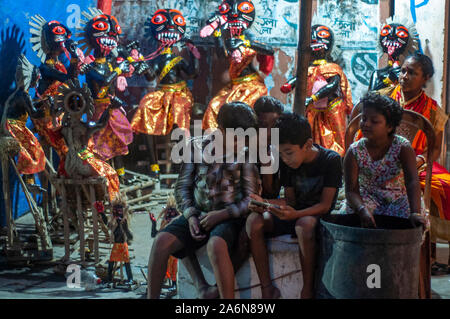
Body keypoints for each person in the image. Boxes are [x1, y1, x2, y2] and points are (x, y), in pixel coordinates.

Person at [147, 102, 260, 299]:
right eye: (235, 138)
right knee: (161, 242)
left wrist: (222, 215)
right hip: (198, 214)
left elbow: (251, 199)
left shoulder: (247, 154)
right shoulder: (196, 147)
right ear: (221, 129)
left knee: (216, 246)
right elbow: (182, 187)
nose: (240, 143)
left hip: (230, 217)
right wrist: (190, 216)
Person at [246, 112, 343, 299]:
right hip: (295, 212)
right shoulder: (287, 163)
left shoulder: (331, 160)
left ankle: (307, 290)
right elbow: (291, 202)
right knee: (254, 221)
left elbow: (325, 205)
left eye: (288, 152)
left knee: (303, 224)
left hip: (317, 216)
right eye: (281, 153)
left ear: (307, 145)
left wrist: (294, 214)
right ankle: (267, 288)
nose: (285, 158)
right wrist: (266, 204)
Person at [389, 53, 450, 271]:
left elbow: (434, 148)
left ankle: (429, 252)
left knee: (444, 185)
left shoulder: (434, 110)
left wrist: (421, 159)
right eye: (403, 70)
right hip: (384, 159)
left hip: (418, 162)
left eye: (412, 73)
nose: (404, 76)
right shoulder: (384, 98)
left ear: (425, 79)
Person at [343, 92, 425, 228]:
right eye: (363, 118)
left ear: (390, 126)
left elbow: (412, 181)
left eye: (374, 121)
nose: (366, 124)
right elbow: (351, 190)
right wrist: (362, 209)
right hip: (366, 198)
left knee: (410, 220)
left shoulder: (402, 147)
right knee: (351, 217)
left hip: (397, 198)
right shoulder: (355, 151)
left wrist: (415, 212)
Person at [253, 96, 284, 199]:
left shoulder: (279, 152)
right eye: (263, 126)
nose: (270, 133)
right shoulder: (242, 149)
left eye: (275, 127)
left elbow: (272, 194)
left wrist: (267, 167)